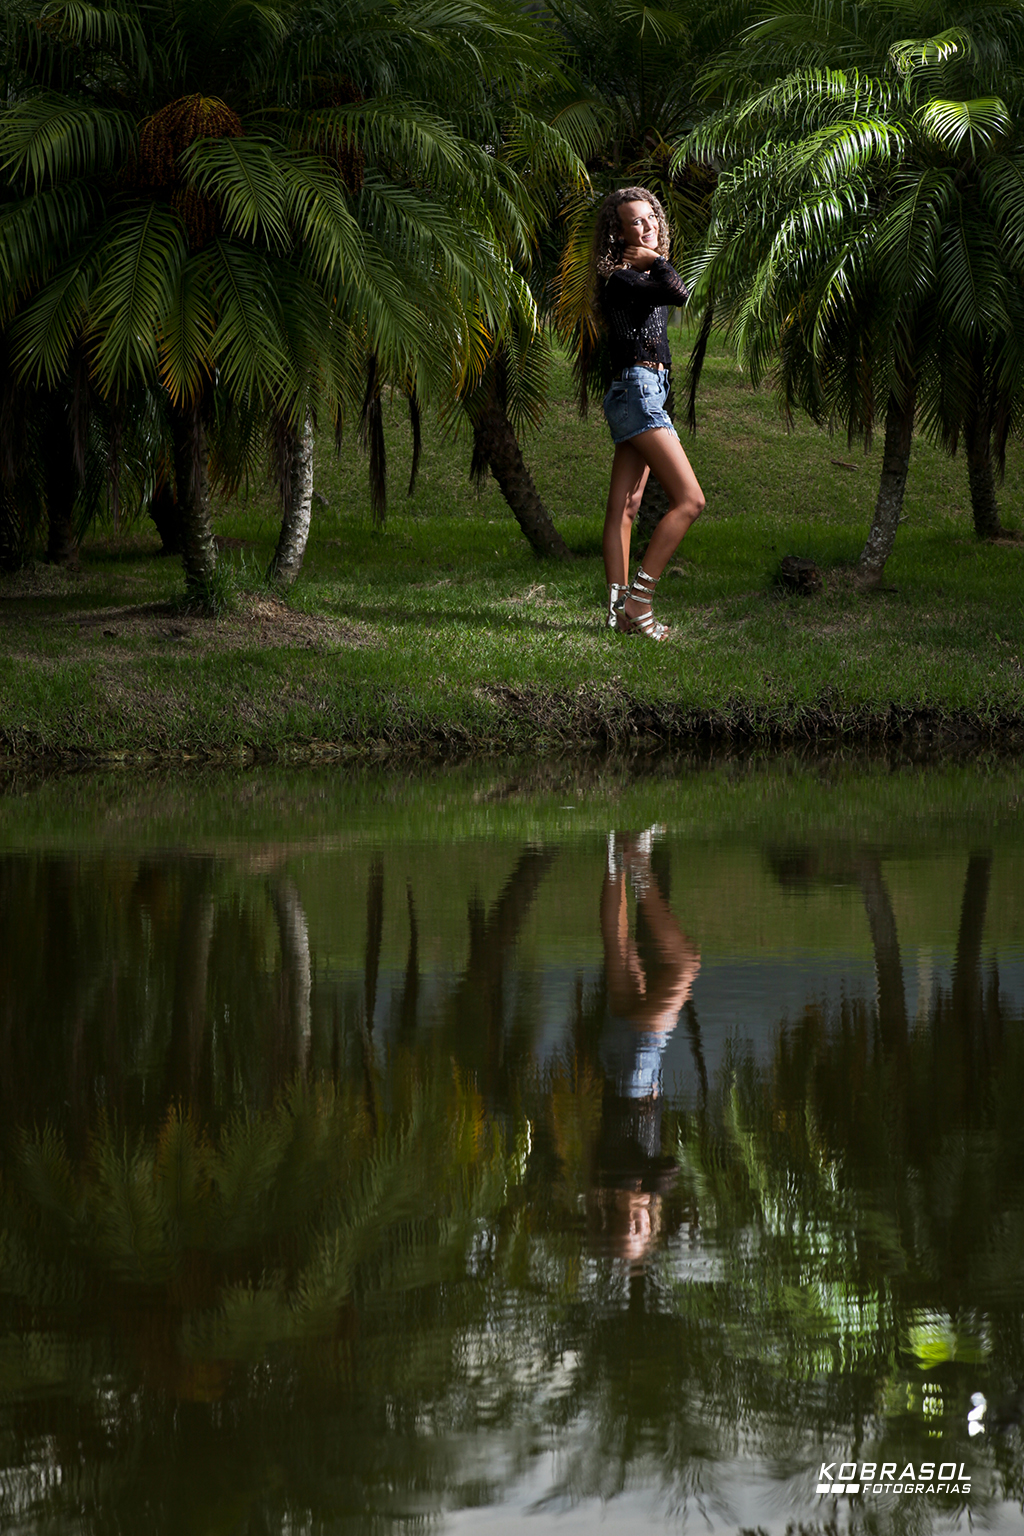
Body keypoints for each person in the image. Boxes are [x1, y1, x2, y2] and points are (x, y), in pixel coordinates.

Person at [593, 187, 705, 639]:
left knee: (627, 506)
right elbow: (677, 291)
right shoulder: (621, 277)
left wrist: (652, 259)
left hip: (644, 389)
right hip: (637, 390)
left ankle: (618, 612)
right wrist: (654, 259)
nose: (648, 226)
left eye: (652, 218)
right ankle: (639, 603)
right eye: (636, 222)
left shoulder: (637, 275)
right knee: (690, 500)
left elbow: (668, 291)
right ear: (618, 235)